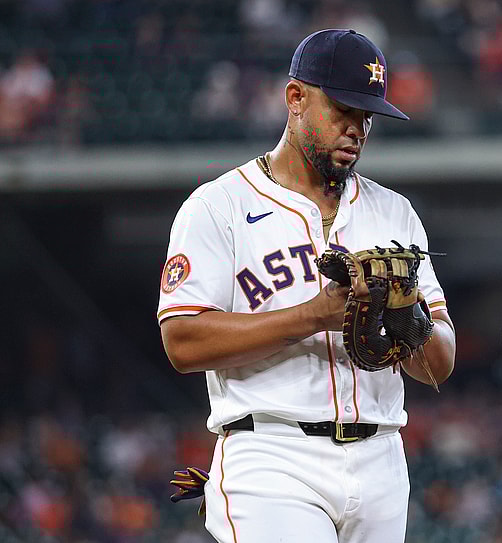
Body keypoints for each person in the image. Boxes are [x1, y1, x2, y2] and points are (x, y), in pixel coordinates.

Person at [157, 29, 456, 543]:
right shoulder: (217, 206)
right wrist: (312, 316)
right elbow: (182, 342)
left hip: (382, 456)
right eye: (343, 110)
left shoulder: (395, 213)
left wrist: (409, 320)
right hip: (272, 451)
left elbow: (439, 366)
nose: (357, 128)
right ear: (296, 97)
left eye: (367, 116)